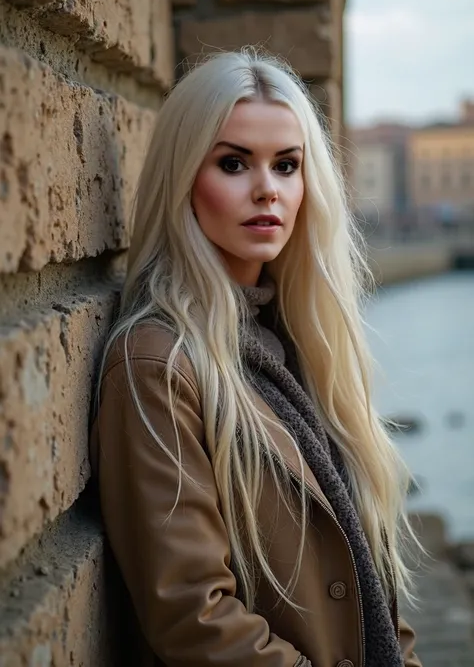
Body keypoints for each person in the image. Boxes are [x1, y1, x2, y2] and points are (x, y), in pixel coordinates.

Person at [90, 48, 422, 667]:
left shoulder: (295, 344)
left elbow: (373, 585)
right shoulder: (156, 364)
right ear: (184, 176)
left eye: (287, 165)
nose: (267, 189)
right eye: (234, 163)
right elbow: (196, 622)